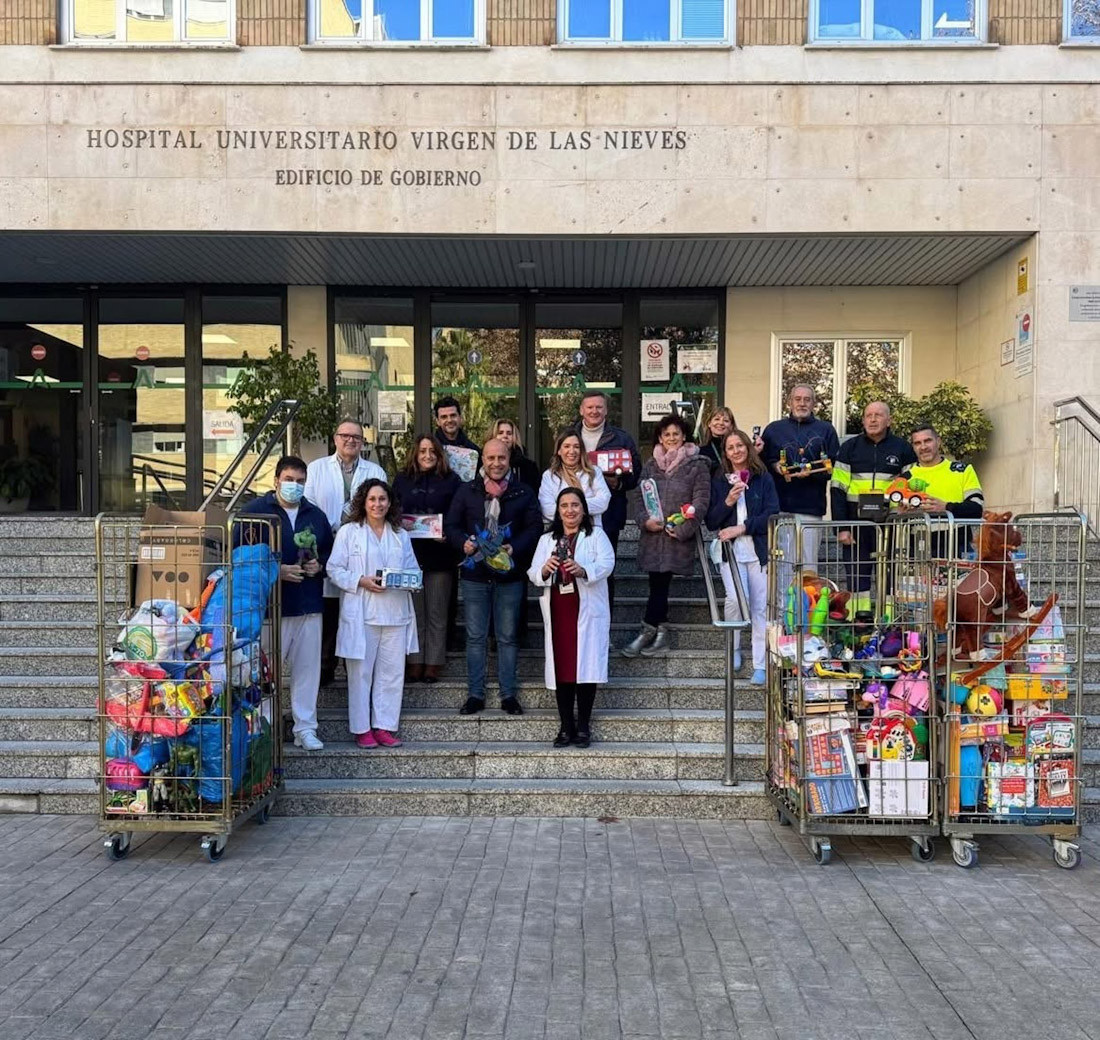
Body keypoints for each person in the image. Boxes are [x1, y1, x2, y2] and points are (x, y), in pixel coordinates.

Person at [240, 456, 334, 751]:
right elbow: (237, 557)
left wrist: (320, 566)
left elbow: (330, 554)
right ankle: (264, 729)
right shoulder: (253, 513)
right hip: (268, 608)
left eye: (300, 481)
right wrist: (275, 571)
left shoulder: (315, 515)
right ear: (276, 480)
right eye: (289, 480)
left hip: (308, 605)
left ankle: (305, 728)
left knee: (307, 672)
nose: (295, 485)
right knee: (264, 672)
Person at [445, 437, 541, 716]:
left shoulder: (523, 492)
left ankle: (508, 694)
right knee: (475, 637)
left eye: (501, 458)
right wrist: (462, 542)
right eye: (491, 458)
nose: (496, 463)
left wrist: (515, 547)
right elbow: (451, 525)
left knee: (507, 637)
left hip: (510, 576)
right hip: (475, 576)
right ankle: (475, 694)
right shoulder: (467, 490)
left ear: (509, 459)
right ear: (482, 460)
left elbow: (535, 527)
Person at [326, 479, 420, 749]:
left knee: (392, 675)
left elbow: (413, 570)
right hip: (363, 614)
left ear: (389, 503)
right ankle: (362, 728)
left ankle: (385, 726)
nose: (377, 504)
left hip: (395, 614)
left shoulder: (400, 535)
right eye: (372, 499)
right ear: (363, 502)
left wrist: (410, 581)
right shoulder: (349, 532)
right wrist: (360, 581)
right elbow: (333, 569)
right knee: (360, 674)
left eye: (382, 499)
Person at [528, 488, 615, 748]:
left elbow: (608, 563)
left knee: (586, 668)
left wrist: (584, 570)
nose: (570, 510)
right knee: (563, 667)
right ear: (557, 511)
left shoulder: (596, 535)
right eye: (564, 505)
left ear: (584, 509)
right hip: (559, 609)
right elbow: (532, 572)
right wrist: (545, 570)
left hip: (586, 609)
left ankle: (583, 727)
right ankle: (566, 726)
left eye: (575, 505)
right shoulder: (547, 539)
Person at [304, 418, 386, 686]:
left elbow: (380, 508)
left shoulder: (375, 471)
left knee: (356, 611)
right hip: (326, 544)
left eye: (357, 437)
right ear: (335, 438)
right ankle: (325, 667)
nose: (351, 440)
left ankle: (354, 670)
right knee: (329, 612)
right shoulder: (316, 469)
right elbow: (309, 507)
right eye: (345, 435)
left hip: (361, 547)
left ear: (363, 442)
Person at [623, 414, 711, 658]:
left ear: (684, 436)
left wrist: (683, 529)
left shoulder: (697, 465)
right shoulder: (651, 465)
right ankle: (661, 634)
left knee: (659, 584)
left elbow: (701, 501)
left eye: (676, 434)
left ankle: (647, 630)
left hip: (676, 535)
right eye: (666, 434)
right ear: (660, 438)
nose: (671, 438)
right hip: (653, 537)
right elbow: (639, 496)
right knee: (657, 584)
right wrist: (644, 521)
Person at [705, 431, 779, 685]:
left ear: (748, 448)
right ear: (725, 453)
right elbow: (711, 521)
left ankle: (760, 664)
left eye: (740, 445)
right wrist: (728, 501)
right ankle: (734, 647)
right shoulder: (719, 480)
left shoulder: (763, 477)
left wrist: (743, 527)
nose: (736, 451)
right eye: (730, 447)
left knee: (760, 607)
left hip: (758, 551)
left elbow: (772, 514)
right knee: (736, 599)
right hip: (731, 552)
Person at [830, 401, 917, 615]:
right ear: (863, 420)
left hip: (891, 524)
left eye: (878, 415)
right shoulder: (849, 448)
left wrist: (904, 515)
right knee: (856, 576)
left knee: (890, 575)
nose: (873, 419)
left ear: (889, 420)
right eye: (868, 415)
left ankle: (887, 620)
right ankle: (858, 623)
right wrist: (841, 527)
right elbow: (837, 489)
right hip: (855, 524)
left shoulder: (903, 448)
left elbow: (912, 485)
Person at [392, 435, 462, 684]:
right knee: (414, 613)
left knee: (437, 612)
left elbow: (457, 514)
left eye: (432, 451)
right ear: (415, 453)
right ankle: (415, 661)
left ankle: (433, 662)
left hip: (441, 555)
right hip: (409, 555)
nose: (427, 455)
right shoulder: (402, 479)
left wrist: (448, 533)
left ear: (439, 454)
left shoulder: (452, 480)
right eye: (422, 451)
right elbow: (393, 510)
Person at [760, 385, 840, 596]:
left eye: (807, 399)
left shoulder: (826, 430)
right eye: (797, 399)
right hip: (780, 509)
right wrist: (775, 466)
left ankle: (806, 611)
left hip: (811, 509)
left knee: (809, 567)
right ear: (789, 402)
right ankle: (782, 611)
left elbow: (834, 467)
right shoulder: (773, 430)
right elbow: (761, 464)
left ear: (814, 403)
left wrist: (813, 473)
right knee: (783, 566)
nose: (802, 403)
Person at [569, 389, 641, 614]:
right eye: (590, 407)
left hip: (608, 515)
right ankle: (575, 618)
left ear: (606, 410)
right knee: (571, 566)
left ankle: (603, 620)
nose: (594, 411)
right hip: (570, 515)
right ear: (581, 410)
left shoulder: (622, 438)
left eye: (599, 407)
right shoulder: (569, 436)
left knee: (603, 569)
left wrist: (618, 484)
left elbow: (635, 474)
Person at [538, 430, 612, 527]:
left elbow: (603, 501)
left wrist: (567, 506)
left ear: (581, 450)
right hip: (562, 531)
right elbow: (547, 509)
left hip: (592, 530)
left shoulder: (594, 472)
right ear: (559, 451)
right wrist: (580, 508)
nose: (572, 451)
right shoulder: (549, 476)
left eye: (576, 447)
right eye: (567, 446)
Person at [434, 395, 481, 480]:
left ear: (460, 418)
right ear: (438, 421)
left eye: (453, 415)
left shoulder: (473, 451)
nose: (449, 420)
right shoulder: (431, 449)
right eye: (444, 417)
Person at [490, 418, 540, 493]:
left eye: (509, 433)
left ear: (515, 437)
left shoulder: (528, 467)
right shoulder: (482, 463)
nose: (505, 436)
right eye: (500, 433)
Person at [699, 405, 737, 473]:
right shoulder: (700, 451)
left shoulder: (738, 448)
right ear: (709, 423)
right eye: (717, 419)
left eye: (726, 420)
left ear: (731, 426)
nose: (721, 423)